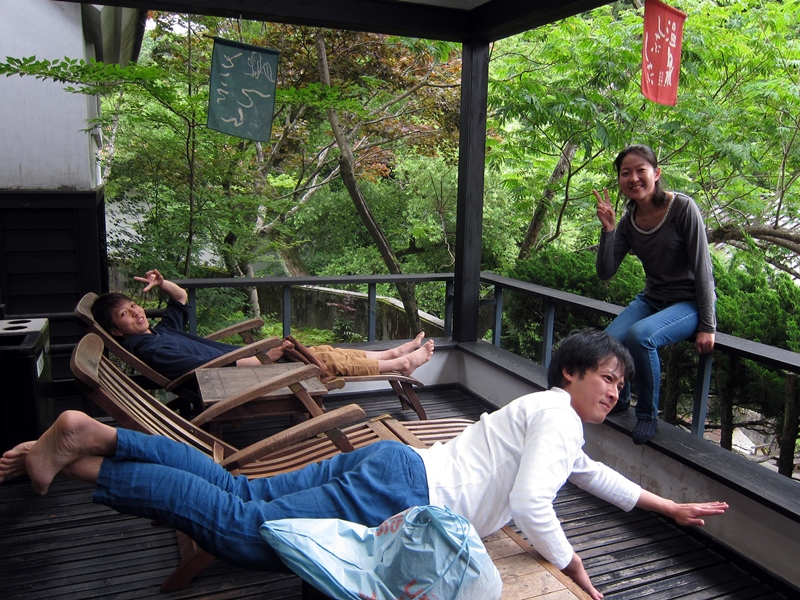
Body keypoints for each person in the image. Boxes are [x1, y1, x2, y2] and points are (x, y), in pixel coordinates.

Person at [0, 329, 728, 600]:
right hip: (399, 491)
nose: (615, 391)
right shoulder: (559, 416)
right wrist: (578, 573)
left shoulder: (553, 420)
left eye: (621, 386)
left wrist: (667, 508)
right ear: (571, 375)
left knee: (233, 490)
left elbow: (591, 478)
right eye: (607, 377)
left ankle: (89, 445)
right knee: (245, 532)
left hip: (393, 464)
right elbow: (538, 507)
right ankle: (85, 442)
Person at [91, 269, 434, 381]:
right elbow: (207, 370)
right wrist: (266, 356)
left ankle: (389, 354)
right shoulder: (153, 347)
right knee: (323, 363)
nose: (136, 312)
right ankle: (399, 365)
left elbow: (179, 297)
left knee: (321, 349)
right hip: (243, 376)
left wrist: (162, 282)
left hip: (247, 363)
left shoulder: (157, 332)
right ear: (117, 331)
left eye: (134, 305)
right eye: (125, 314)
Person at [595, 144, 716, 445]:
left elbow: (703, 267)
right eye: (626, 173)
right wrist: (608, 230)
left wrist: (708, 325)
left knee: (640, 336)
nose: (633, 178)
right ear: (620, 181)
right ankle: (620, 399)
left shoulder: (683, 208)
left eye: (641, 171)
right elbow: (605, 271)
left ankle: (647, 415)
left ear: (656, 173)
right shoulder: (628, 221)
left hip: (688, 303)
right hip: (652, 298)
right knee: (607, 342)